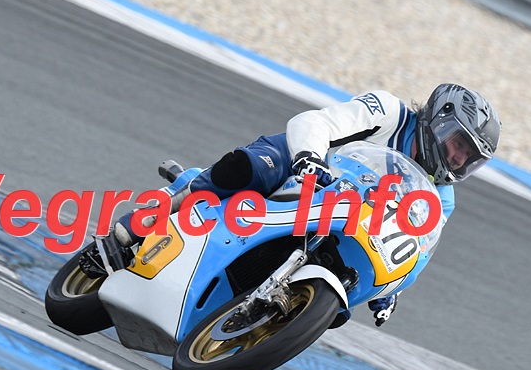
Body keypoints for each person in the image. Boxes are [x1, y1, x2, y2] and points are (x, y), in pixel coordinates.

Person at [113, 83, 501, 325]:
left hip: (347, 223)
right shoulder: (390, 113)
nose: (457, 159)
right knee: (247, 170)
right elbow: (316, 123)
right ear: (439, 121)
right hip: (304, 170)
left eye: (469, 158)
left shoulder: (442, 198)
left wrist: (391, 288)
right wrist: (310, 158)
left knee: (338, 309)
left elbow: (417, 248)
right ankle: (146, 220)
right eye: (458, 144)